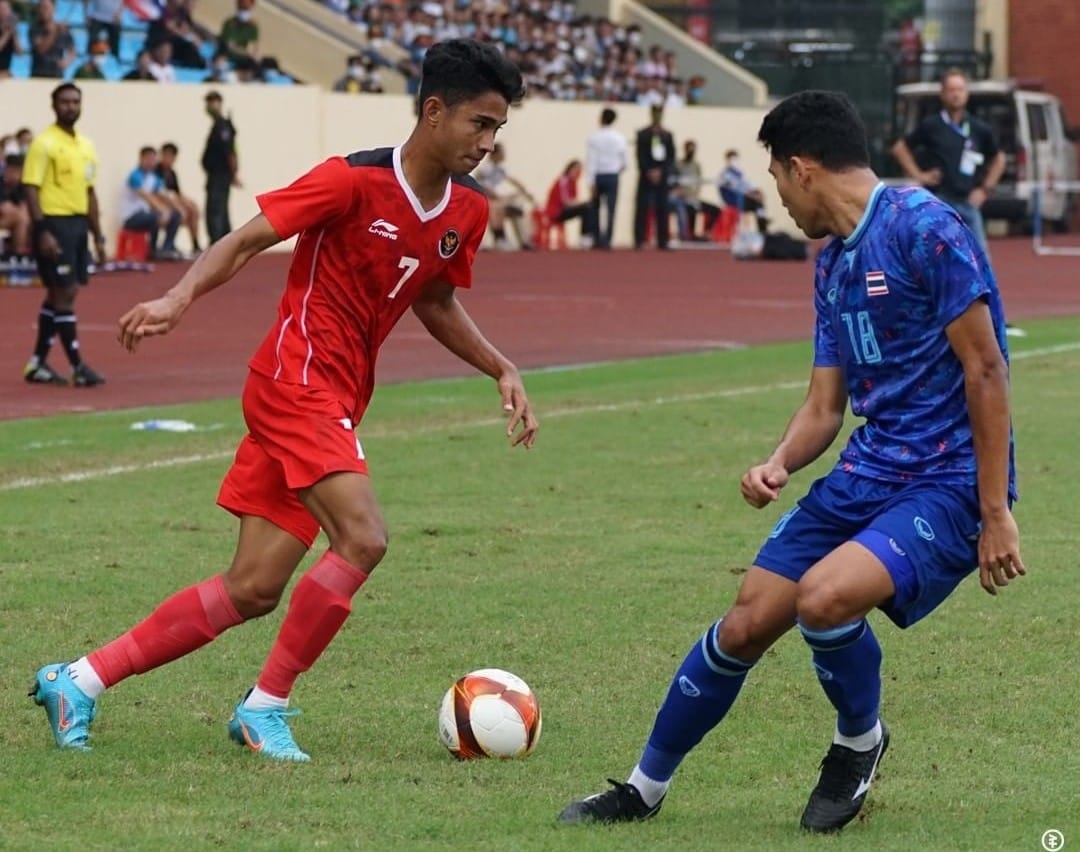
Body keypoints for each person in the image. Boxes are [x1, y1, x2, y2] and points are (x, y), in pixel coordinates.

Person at [29, 37, 539, 763]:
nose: (488, 142)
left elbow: (432, 297)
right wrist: (179, 296)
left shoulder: (467, 211)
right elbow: (244, 241)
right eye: (479, 124)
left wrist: (500, 366)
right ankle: (265, 707)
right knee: (363, 537)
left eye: (497, 129)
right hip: (294, 382)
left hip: (336, 397)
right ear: (434, 112)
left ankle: (77, 680)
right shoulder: (350, 181)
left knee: (253, 586)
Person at [559, 90, 1023, 833]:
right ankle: (642, 790)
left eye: (775, 179)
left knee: (824, 599)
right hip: (868, 471)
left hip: (947, 481)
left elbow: (987, 370)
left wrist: (996, 513)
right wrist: (777, 461)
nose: (776, 198)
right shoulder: (833, 263)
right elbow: (823, 408)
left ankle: (858, 742)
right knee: (744, 623)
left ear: (800, 169)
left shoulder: (924, 228)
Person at [21, 83, 107, 387]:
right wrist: (42, 230)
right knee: (65, 293)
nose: (70, 106)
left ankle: (37, 364)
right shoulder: (44, 143)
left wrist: (98, 236)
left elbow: (90, 191)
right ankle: (77, 365)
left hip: (78, 225)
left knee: (59, 293)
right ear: (53, 105)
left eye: (75, 101)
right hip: (54, 224)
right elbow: (30, 187)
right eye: (65, 101)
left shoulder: (85, 146)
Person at [890, 67, 1005, 254]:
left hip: (968, 201)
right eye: (951, 90)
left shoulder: (978, 128)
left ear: (967, 93)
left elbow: (998, 158)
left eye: (960, 89)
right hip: (939, 200)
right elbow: (899, 148)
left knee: (979, 256)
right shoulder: (931, 125)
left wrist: (985, 189)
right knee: (933, 253)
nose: (956, 95)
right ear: (943, 94)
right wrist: (919, 175)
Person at [119, 146, 181, 259]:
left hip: (146, 214)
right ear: (141, 159)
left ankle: (167, 248)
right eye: (148, 159)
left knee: (176, 215)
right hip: (131, 217)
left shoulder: (154, 178)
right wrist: (163, 210)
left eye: (153, 159)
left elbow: (164, 195)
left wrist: (178, 208)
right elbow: (146, 197)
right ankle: (152, 250)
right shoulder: (135, 176)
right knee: (155, 217)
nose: (151, 162)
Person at [474, 142, 534, 250]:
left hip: (499, 199)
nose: (504, 155)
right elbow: (482, 185)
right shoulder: (485, 169)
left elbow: (513, 180)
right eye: (502, 153)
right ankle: (500, 238)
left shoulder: (501, 168)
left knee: (518, 210)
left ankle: (525, 240)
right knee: (496, 207)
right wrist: (496, 196)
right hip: (487, 200)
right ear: (495, 154)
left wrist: (525, 191)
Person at [584, 106, 628, 251]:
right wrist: (616, 170)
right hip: (612, 175)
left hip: (598, 174)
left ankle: (597, 238)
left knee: (596, 208)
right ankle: (607, 239)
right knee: (611, 209)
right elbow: (625, 162)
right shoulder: (619, 138)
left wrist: (590, 181)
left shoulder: (594, 137)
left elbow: (591, 161)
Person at [633, 104, 675, 250]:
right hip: (646, 175)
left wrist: (661, 171)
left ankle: (663, 240)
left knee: (663, 208)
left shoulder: (667, 135)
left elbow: (671, 157)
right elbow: (640, 155)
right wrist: (649, 171)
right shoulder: (642, 134)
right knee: (642, 207)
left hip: (662, 176)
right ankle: (639, 239)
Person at [201, 90, 239, 244]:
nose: (210, 106)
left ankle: (218, 244)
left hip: (220, 174)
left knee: (216, 209)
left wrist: (234, 173)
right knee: (220, 209)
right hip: (217, 174)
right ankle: (223, 243)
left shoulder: (222, 126)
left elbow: (230, 151)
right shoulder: (219, 125)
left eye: (213, 102)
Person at [157, 141, 202, 256]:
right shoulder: (156, 171)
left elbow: (177, 192)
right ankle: (168, 245)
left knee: (193, 210)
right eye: (166, 155)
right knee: (180, 212)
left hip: (172, 200)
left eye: (171, 157)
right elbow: (159, 192)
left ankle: (195, 244)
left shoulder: (172, 173)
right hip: (161, 203)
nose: (169, 159)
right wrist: (179, 205)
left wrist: (189, 202)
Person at [669, 139, 718, 242]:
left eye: (693, 149)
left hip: (694, 198)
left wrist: (695, 196)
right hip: (682, 198)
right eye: (689, 149)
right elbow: (674, 183)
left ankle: (706, 232)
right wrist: (683, 194)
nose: (691, 151)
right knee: (691, 209)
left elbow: (698, 183)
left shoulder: (696, 165)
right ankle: (689, 234)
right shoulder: (678, 165)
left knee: (715, 210)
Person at [544, 159, 596, 246]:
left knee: (589, 208)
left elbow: (573, 201)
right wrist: (582, 203)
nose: (577, 172)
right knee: (586, 208)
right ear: (569, 169)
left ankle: (588, 235)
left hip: (563, 210)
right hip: (556, 212)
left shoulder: (573, 182)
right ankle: (584, 237)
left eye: (579, 170)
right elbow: (566, 202)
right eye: (575, 170)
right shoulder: (563, 181)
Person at [719, 148, 769, 233]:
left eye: (735, 159)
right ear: (727, 160)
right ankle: (759, 228)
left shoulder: (740, 173)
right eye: (732, 159)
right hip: (735, 200)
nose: (734, 161)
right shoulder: (726, 174)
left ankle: (763, 229)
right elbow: (738, 189)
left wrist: (757, 192)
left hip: (744, 198)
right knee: (756, 203)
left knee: (759, 204)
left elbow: (748, 184)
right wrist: (752, 195)